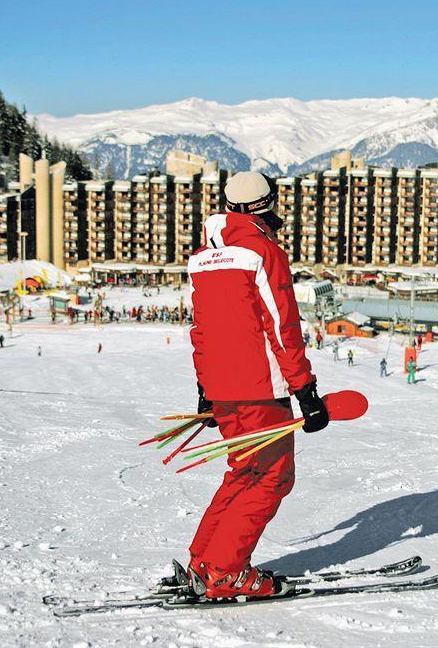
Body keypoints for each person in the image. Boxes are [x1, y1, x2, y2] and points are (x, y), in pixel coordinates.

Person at [185, 171, 328, 601]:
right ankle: (224, 571)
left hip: (224, 388)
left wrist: (206, 389)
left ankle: (204, 560)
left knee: (243, 471)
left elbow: (201, 330)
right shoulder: (263, 252)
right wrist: (305, 390)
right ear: (266, 204)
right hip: (261, 388)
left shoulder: (203, 259)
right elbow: (282, 326)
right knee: (271, 477)